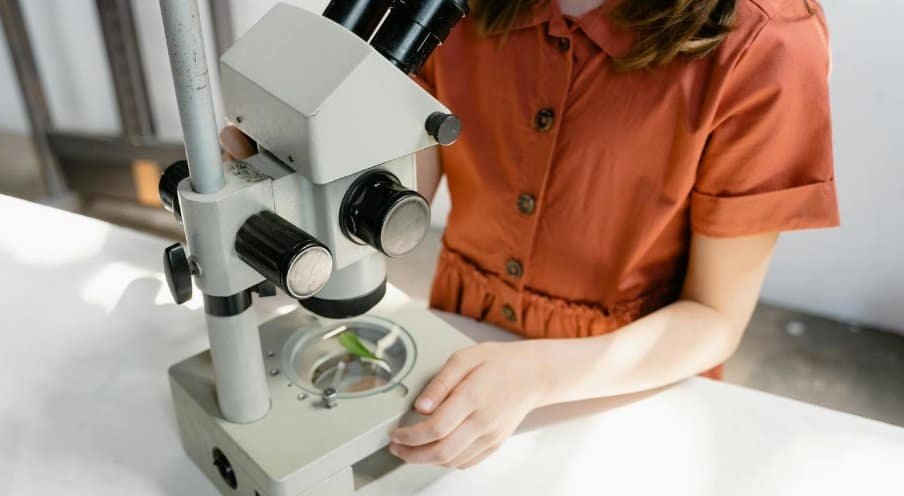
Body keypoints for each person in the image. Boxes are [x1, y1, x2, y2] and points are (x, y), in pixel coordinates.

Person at [223, 0, 838, 470]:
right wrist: (290, 177)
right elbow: (393, 189)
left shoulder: (767, 41)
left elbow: (713, 318)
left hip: (622, 387)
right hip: (457, 339)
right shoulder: (456, 13)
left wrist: (536, 376)